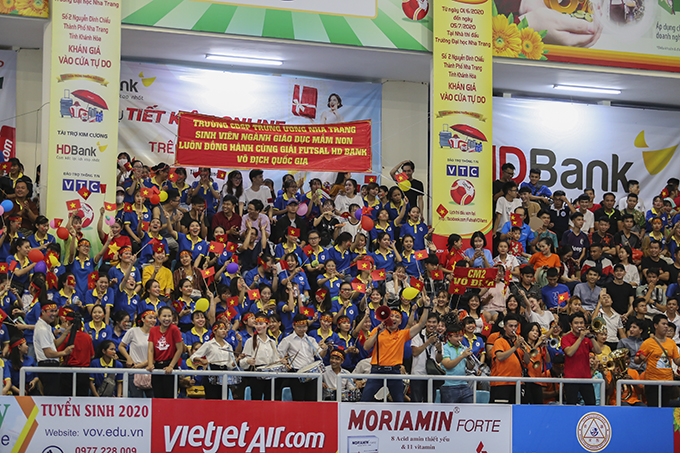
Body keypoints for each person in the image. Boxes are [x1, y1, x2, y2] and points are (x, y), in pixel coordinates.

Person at [360, 294, 432, 402]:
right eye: (391, 316)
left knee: (399, 402)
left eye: (397, 317)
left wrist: (426, 307)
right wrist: (378, 330)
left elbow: (421, 324)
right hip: (377, 371)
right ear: (386, 318)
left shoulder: (403, 334)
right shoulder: (377, 330)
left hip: (395, 372)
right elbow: (366, 347)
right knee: (364, 401)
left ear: (400, 322)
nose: (393, 318)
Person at [278, 313, 328, 401]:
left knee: (312, 401)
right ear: (293, 326)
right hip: (297, 374)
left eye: (304, 327)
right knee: (299, 401)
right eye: (299, 327)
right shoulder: (287, 340)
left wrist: (325, 349)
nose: (302, 329)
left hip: (312, 375)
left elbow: (320, 355)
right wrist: (284, 363)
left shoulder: (311, 339)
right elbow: (278, 356)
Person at [634, 314, 680, 407]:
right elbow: (636, 360)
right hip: (652, 382)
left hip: (668, 382)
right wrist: (641, 358)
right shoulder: (648, 343)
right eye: (663, 324)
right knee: (653, 409)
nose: (666, 326)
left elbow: (677, 361)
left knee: (665, 408)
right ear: (655, 325)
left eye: (667, 324)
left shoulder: (671, 343)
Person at [34, 297, 74, 395]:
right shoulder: (42, 329)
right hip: (47, 365)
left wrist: (66, 332)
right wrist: (64, 353)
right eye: (51, 311)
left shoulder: (46, 326)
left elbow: (54, 344)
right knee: (51, 396)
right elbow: (48, 353)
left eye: (55, 311)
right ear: (43, 312)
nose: (54, 314)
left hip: (50, 365)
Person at [190, 321, 238, 399]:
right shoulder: (208, 344)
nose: (224, 331)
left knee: (223, 400)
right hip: (211, 372)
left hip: (224, 374)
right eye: (221, 329)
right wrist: (201, 360)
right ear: (214, 331)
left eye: (225, 329)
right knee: (212, 400)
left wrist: (238, 359)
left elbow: (231, 365)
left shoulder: (228, 346)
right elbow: (193, 357)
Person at [561, 312, 602, 405]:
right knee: (571, 405)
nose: (579, 325)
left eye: (581, 323)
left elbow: (598, 351)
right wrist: (581, 337)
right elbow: (570, 353)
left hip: (586, 378)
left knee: (591, 405)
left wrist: (591, 337)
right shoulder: (565, 338)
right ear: (570, 324)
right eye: (576, 323)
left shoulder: (587, 338)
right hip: (571, 379)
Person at [240, 313, 283, 401]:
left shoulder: (272, 342)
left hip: (270, 375)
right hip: (256, 375)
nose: (258, 326)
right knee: (256, 402)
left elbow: (276, 360)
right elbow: (242, 362)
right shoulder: (250, 341)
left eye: (261, 324)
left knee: (270, 401)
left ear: (267, 325)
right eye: (256, 324)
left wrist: (281, 362)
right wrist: (248, 361)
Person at [146, 306, 184, 399]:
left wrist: (171, 366)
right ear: (158, 317)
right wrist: (150, 364)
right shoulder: (153, 330)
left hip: (170, 366)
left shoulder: (174, 329)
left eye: (169, 316)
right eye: (164, 316)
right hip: (157, 367)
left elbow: (180, 349)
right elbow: (151, 349)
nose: (167, 319)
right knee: (158, 396)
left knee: (169, 398)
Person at [119, 310, 156, 398]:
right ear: (143, 319)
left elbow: (157, 354)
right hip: (134, 371)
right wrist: (128, 358)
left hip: (150, 370)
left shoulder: (156, 333)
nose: (153, 320)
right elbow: (121, 346)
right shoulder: (133, 331)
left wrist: (143, 364)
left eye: (154, 318)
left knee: (154, 401)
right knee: (135, 401)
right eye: (150, 318)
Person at [490, 313, 525, 404]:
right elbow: (500, 357)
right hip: (501, 383)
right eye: (510, 326)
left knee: (517, 411)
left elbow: (527, 361)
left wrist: (525, 350)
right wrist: (515, 347)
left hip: (517, 383)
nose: (513, 328)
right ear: (504, 327)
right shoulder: (499, 341)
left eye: (515, 326)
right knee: (500, 412)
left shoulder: (518, 342)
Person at [58, 310, 95, 396]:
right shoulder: (87, 337)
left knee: (67, 400)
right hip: (84, 373)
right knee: (82, 400)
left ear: (68, 324)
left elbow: (58, 352)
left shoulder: (66, 337)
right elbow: (92, 355)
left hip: (68, 372)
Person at [440, 318, 476, 403]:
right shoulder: (444, 348)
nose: (459, 338)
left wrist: (469, 358)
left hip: (463, 384)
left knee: (469, 410)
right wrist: (462, 356)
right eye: (456, 336)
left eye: (461, 336)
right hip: (448, 386)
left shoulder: (463, 348)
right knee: (450, 413)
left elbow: (470, 368)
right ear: (449, 337)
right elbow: (447, 365)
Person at [410, 311, 442, 402]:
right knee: (416, 403)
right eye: (429, 322)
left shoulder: (438, 337)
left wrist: (439, 350)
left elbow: (439, 360)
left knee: (430, 404)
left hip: (431, 376)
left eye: (434, 322)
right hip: (417, 376)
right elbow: (415, 352)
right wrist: (428, 342)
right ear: (425, 323)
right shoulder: (417, 335)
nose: (431, 324)